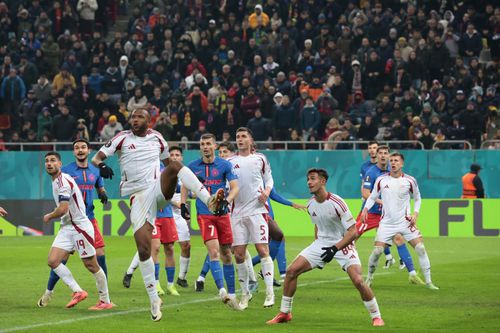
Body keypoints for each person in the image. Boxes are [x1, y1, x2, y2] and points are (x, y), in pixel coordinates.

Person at [91, 108, 226, 321]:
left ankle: (209, 200)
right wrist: (102, 166)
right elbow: (95, 158)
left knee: (174, 166)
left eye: (139, 117)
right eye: (133, 117)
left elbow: (167, 166)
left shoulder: (158, 139)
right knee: (144, 249)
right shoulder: (122, 138)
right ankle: (154, 299)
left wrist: (178, 194)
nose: (135, 120)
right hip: (138, 197)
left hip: (157, 189)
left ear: (149, 120)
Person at [267, 169, 384, 326]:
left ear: (323, 181)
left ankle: (376, 316)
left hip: (343, 244)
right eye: (308, 179)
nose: (309, 182)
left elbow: (353, 232)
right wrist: (318, 252)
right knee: (291, 271)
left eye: (313, 179)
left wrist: (334, 249)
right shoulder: (310, 204)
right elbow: (318, 226)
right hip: (321, 244)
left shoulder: (338, 203)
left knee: (358, 280)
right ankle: (284, 313)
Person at [38, 139, 110, 307]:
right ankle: (77, 291)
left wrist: (49, 216)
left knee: (91, 264)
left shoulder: (63, 181)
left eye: (53, 161)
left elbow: (63, 209)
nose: (49, 164)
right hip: (67, 226)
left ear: (60, 164)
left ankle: (105, 300)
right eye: (47, 161)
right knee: (53, 261)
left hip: (80, 226)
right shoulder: (60, 179)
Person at [181, 133, 241, 310]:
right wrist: (184, 205)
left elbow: (236, 187)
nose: (205, 146)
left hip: (222, 214)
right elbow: (185, 185)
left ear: (214, 146)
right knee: (213, 252)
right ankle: (222, 290)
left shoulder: (224, 164)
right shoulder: (192, 166)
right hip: (204, 214)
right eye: (202, 144)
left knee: (227, 254)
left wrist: (226, 202)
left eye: (208, 143)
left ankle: (232, 293)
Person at [363, 152, 439, 290]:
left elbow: (417, 198)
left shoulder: (410, 181)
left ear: (402, 164)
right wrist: (365, 209)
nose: (393, 163)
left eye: (396, 160)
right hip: (386, 223)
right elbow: (373, 197)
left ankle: (429, 282)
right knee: (378, 251)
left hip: (405, 222)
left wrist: (415, 213)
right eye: (391, 160)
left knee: (421, 248)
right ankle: (369, 277)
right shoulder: (381, 180)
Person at [228, 127, 275, 309]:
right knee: (239, 254)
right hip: (237, 212)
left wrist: (267, 191)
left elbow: (269, 179)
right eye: (237, 136)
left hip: (257, 210)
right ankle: (245, 294)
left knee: (263, 250)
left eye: (243, 136)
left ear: (250, 140)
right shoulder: (230, 161)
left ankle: (269, 293)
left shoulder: (260, 159)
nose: (240, 139)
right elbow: (228, 185)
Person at [356, 146, 418, 280]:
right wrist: (382, 202)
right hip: (372, 213)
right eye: (381, 153)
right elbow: (366, 194)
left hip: (388, 215)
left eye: (386, 153)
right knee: (352, 235)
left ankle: (411, 272)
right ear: (377, 156)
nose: (383, 156)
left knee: (398, 238)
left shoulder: (394, 171)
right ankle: (345, 259)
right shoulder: (371, 172)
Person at [167, 146, 192, 288]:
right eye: (172, 154)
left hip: (179, 215)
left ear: (181, 157)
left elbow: (190, 192)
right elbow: (160, 194)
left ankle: (182, 277)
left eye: (177, 154)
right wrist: (175, 202)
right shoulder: (163, 173)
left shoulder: (185, 174)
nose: (175, 157)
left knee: (186, 245)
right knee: (154, 247)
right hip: (164, 214)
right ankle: (130, 271)